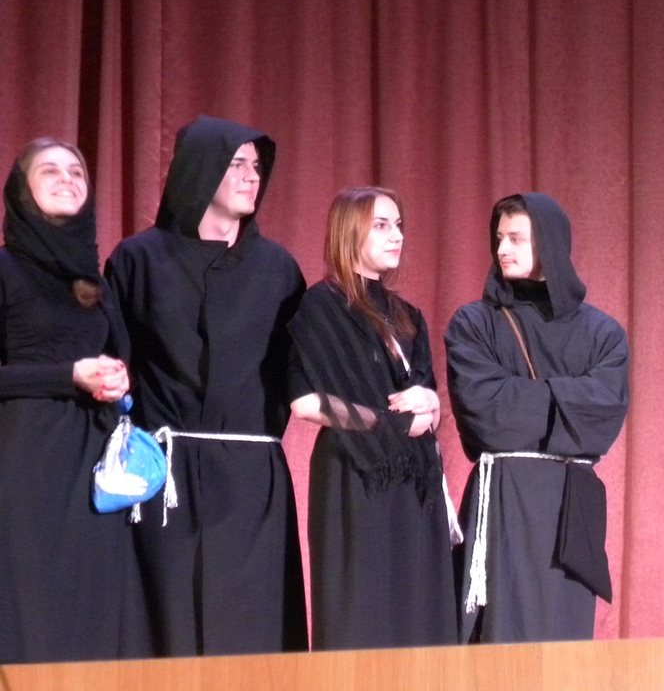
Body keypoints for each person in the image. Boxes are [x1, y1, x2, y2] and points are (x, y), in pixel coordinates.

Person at [105, 115, 308, 655]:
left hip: (250, 478)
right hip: (163, 474)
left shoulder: (278, 269)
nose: (252, 176)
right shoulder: (138, 260)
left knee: (250, 629)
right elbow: (115, 365)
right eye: (236, 164)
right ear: (200, 168)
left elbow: (301, 371)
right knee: (163, 626)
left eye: (256, 166)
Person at [445, 192, 629, 643]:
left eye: (516, 238)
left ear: (549, 244)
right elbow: (485, 413)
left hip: (570, 508)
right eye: (499, 238)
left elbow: (604, 416)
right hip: (505, 498)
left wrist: (521, 395)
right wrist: (570, 399)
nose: (502, 249)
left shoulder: (602, 333)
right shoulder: (474, 324)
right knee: (499, 639)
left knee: (563, 641)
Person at [0, 138, 151, 662]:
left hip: (94, 466)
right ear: (21, 191)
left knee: (93, 611)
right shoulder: (5, 268)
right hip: (27, 464)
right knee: (33, 607)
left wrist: (116, 378)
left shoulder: (94, 282)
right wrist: (69, 376)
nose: (67, 179)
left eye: (77, 172)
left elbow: (118, 357)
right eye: (50, 171)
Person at [287, 187, 459, 649]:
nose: (396, 235)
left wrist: (430, 401)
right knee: (362, 614)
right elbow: (305, 403)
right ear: (349, 231)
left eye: (398, 225)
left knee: (417, 614)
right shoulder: (321, 307)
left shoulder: (408, 315)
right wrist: (390, 423)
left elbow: (429, 398)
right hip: (355, 476)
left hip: (415, 481)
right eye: (381, 225)